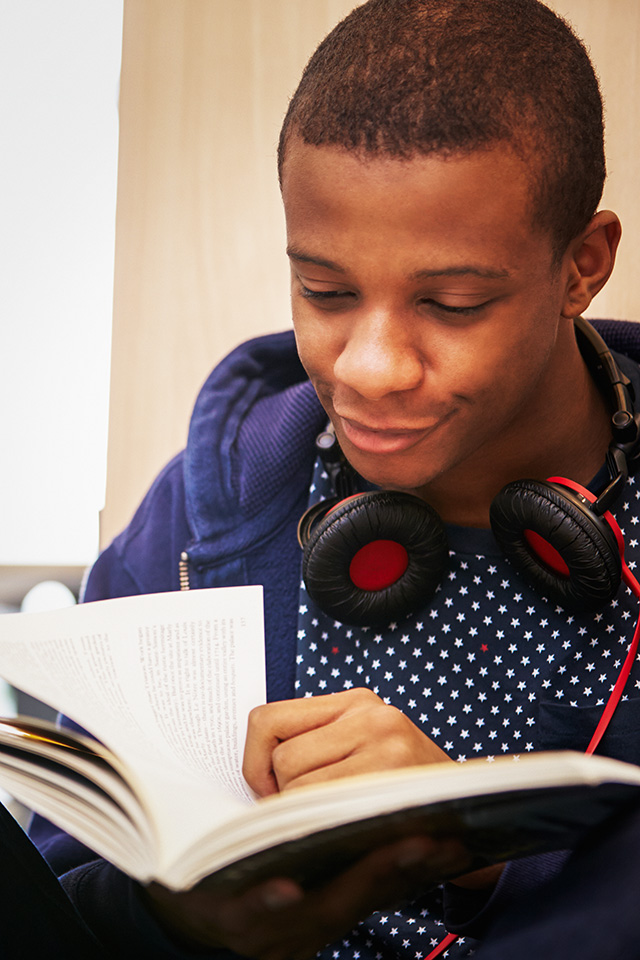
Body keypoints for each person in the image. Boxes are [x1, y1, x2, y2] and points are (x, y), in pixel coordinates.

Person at [25, 0, 640, 957]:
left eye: (452, 303)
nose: (370, 366)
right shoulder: (196, 520)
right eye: (325, 291)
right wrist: (173, 919)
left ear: (582, 267)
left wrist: (475, 851)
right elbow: (62, 897)